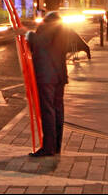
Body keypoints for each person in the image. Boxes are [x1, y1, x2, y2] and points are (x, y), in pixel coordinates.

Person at [27, 11, 91, 157]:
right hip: (59, 75)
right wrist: (86, 49)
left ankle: (48, 147)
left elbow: (40, 41)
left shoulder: (48, 27)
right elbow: (77, 41)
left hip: (46, 76)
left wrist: (28, 35)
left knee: (47, 110)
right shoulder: (64, 29)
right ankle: (56, 146)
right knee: (58, 110)